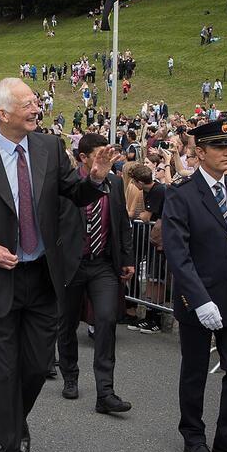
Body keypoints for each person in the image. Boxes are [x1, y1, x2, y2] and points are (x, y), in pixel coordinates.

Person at [0, 78, 118, 452]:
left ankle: (15, 421)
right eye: (29, 103)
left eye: (37, 102)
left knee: (39, 366)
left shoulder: (49, 148)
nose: (37, 108)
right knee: (5, 371)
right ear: (4, 114)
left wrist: (94, 178)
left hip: (42, 278)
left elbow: (73, 192)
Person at [161, 119, 227, 452]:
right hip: (199, 299)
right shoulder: (182, 192)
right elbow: (178, 252)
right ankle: (193, 435)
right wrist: (200, 299)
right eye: (219, 147)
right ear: (200, 152)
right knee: (194, 370)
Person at [56, 134, 135, 410]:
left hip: (102, 263)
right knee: (66, 323)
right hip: (71, 264)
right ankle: (70, 376)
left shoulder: (114, 182)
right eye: (100, 154)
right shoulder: (68, 184)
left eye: (108, 153)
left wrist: (127, 258)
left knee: (105, 320)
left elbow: (122, 221)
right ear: (83, 158)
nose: (106, 159)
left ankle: (105, 391)